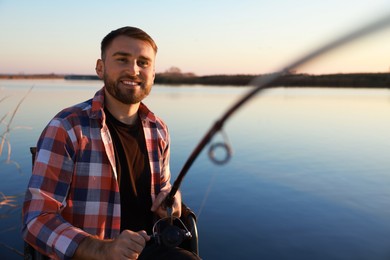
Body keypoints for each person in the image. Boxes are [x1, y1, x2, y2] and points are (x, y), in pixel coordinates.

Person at [22, 26, 199, 260]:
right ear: (100, 67)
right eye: (122, 59)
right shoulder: (67, 127)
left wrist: (171, 200)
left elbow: (164, 188)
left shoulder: (159, 130)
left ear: (153, 74)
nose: (133, 70)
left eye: (143, 63)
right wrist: (103, 249)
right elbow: (36, 220)